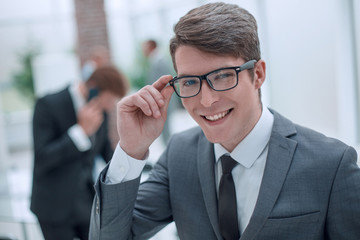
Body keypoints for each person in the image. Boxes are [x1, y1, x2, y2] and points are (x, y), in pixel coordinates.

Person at [89, 2, 360, 240]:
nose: (206, 101)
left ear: (258, 74)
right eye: (190, 82)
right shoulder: (179, 155)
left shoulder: (331, 165)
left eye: (222, 76)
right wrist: (131, 150)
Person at [31, 65, 129, 240]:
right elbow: (43, 158)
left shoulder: (101, 111)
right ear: (92, 88)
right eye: (109, 99)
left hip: (85, 201)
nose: (109, 107)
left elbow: (106, 152)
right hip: (53, 205)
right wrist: (81, 132)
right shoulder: (47, 104)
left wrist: (132, 156)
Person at [142, 39, 180, 144]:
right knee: (164, 129)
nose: (143, 50)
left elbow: (168, 82)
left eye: (145, 47)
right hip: (160, 101)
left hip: (163, 101)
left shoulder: (160, 61)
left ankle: (169, 150)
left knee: (165, 129)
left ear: (151, 46)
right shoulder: (154, 60)